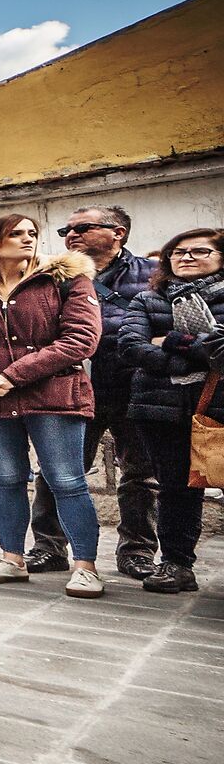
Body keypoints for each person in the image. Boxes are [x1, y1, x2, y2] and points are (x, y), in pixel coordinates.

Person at [0, 214, 102, 594]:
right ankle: (12, 559)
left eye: (32, 233)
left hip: (54, 395)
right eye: (16, 234)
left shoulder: (66, 279)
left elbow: (81, 339)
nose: (27, 239)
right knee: (7, 479)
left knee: (66, 480)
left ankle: (85, 566)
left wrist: (12, 376)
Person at [28, 206, 157, 578]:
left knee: (141, 474)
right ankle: (49, 547)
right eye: (66, 230)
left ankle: (138, 552)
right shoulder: (51, 277)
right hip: (71, 388)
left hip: (133, 386)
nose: (71, 235)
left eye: (82, 227)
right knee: (56, 471)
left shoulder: (152, 275)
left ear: (118, 233)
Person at [120, 226, 224, 594]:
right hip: (160, 409)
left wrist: (174, 340)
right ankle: (177, 564)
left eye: (199, 251)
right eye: (178, 252)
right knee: (176, 489)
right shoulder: (148, 301)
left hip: (218, 407)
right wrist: (195, 357)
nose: (186, 257)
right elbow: (131, 348)